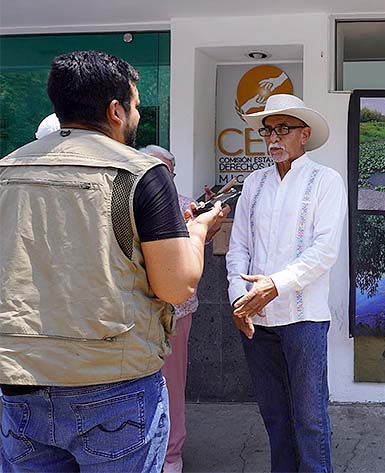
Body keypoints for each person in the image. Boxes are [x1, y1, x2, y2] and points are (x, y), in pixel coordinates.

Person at [0, 50, 225, 472]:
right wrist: (197, 233)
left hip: (20, 385)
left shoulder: (7, 171)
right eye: (137, 105)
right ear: (115, 110)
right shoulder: (138, 173)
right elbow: (176, 287)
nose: (138, 114)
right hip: (113, 389)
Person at [226, 94, 346, 473]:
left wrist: (273, 286)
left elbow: (324, 251)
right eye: (268, 130)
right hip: (257, 322)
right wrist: (238, 301)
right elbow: (237, 248)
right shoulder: (255, 184)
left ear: (304, 134)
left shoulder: (325, 181)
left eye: (283, 129)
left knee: (310, 420)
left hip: (304, 320)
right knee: (275, 418)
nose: (273, 138)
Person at [139, 144, 226, 473]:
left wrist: (207, 228)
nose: (157, 178)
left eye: (164, 172)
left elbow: (195, 251)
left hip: (176, 313)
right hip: (136, 313)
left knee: (172, 383)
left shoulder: (185, 206)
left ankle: (172, 453)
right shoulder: (128, 202)